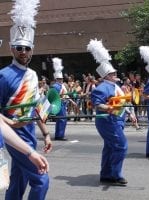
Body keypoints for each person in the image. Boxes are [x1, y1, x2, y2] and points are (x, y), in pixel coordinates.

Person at [0, 1, 52, 199]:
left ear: (32, 50)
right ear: (12, 49)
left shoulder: (33, 74)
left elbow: (35, 106)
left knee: (19, 178)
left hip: (30, 134)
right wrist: (11, 122)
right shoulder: (3, 76)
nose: (24, 51)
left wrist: (46, 133)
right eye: (19, 47)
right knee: (41, 179)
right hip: (14, 137)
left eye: (27, 48)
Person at [88, 39, 136, 186]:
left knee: (110, 147)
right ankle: (116, 174)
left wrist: (130, 113)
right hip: (108, 121)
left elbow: (122, 101)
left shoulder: (116, 86)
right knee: (121, 146)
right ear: (106, 76)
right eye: (112, 72)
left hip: (117, 120)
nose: (115, 73)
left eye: (114, 72)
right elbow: (96, 105)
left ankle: (106, 174)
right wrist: (108, 107)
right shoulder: (101, 88)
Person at [51, 57, 74, 140]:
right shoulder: (55, 86)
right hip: (59, 103)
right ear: (56, 79)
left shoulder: (62, 85)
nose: (61, 80)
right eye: (59, 79)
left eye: (61, 78)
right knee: (62, 119)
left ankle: (59, 135)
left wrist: (72, 101)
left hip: (63, 103)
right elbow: (54, 96)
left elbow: (66, 95)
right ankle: (59, 135)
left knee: (62, 119)